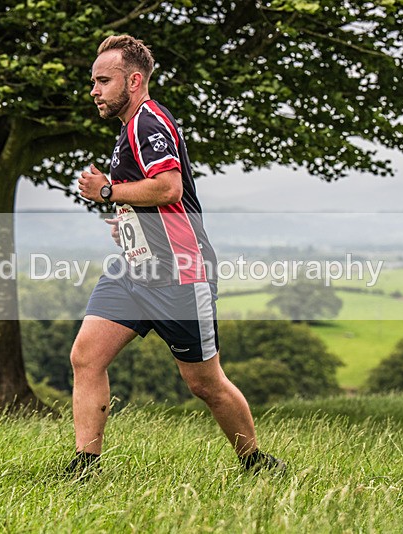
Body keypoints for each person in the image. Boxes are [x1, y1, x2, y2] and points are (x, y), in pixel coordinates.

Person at [69, 34, 285, 477]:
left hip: (181, 275)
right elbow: (155, 200)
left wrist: (107, 191)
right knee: (86, 357)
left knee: (204, 383)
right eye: (93, 81)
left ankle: (256, 462)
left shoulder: (149, 122)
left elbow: (169, 187)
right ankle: (84, 467)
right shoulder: (129, 128)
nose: (94, 90)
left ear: (133, 81)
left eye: (103, 81)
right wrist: (129, 222)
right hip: (134, 271)